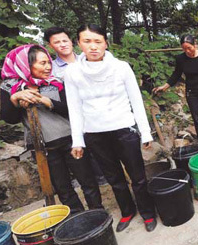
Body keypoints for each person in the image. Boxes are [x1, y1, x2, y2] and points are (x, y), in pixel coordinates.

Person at [65, 24, 156, 233]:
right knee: (113, 178)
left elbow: (136, 100)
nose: (93, 47)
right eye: (87, 41)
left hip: (124, 129)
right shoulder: (73, 72)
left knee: (138, 175)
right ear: (79, 44)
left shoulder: (121, 67)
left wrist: (145, 131)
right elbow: (75, 108)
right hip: (95, 133)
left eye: (98, 41)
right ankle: (127, 211)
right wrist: (77, 140)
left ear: (105, 43)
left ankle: (147, 212)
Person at [0, 44, 103, 214]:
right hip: (43, 147)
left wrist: (49, 103)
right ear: (26, 64)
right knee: (62, 188)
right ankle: (77, 217)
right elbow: (10, 119)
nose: (48, 67)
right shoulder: (10, 88)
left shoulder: (56, 82)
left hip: (70, 140)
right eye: (42, 63)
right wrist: (15, 98)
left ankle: (97, 212)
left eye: (48, 62)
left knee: (87, 180)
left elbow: (72, 110)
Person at [44, 26, 107, 186]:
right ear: (50, 46)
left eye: (65, 40)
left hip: (95, 108)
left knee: (100, 142)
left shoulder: (87, 59)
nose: (62, 44)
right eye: (56, 42)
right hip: (70, 112)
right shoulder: (51, 69)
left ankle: (104, 174)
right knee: (80, 142)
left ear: (72, 41)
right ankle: (92, 178)